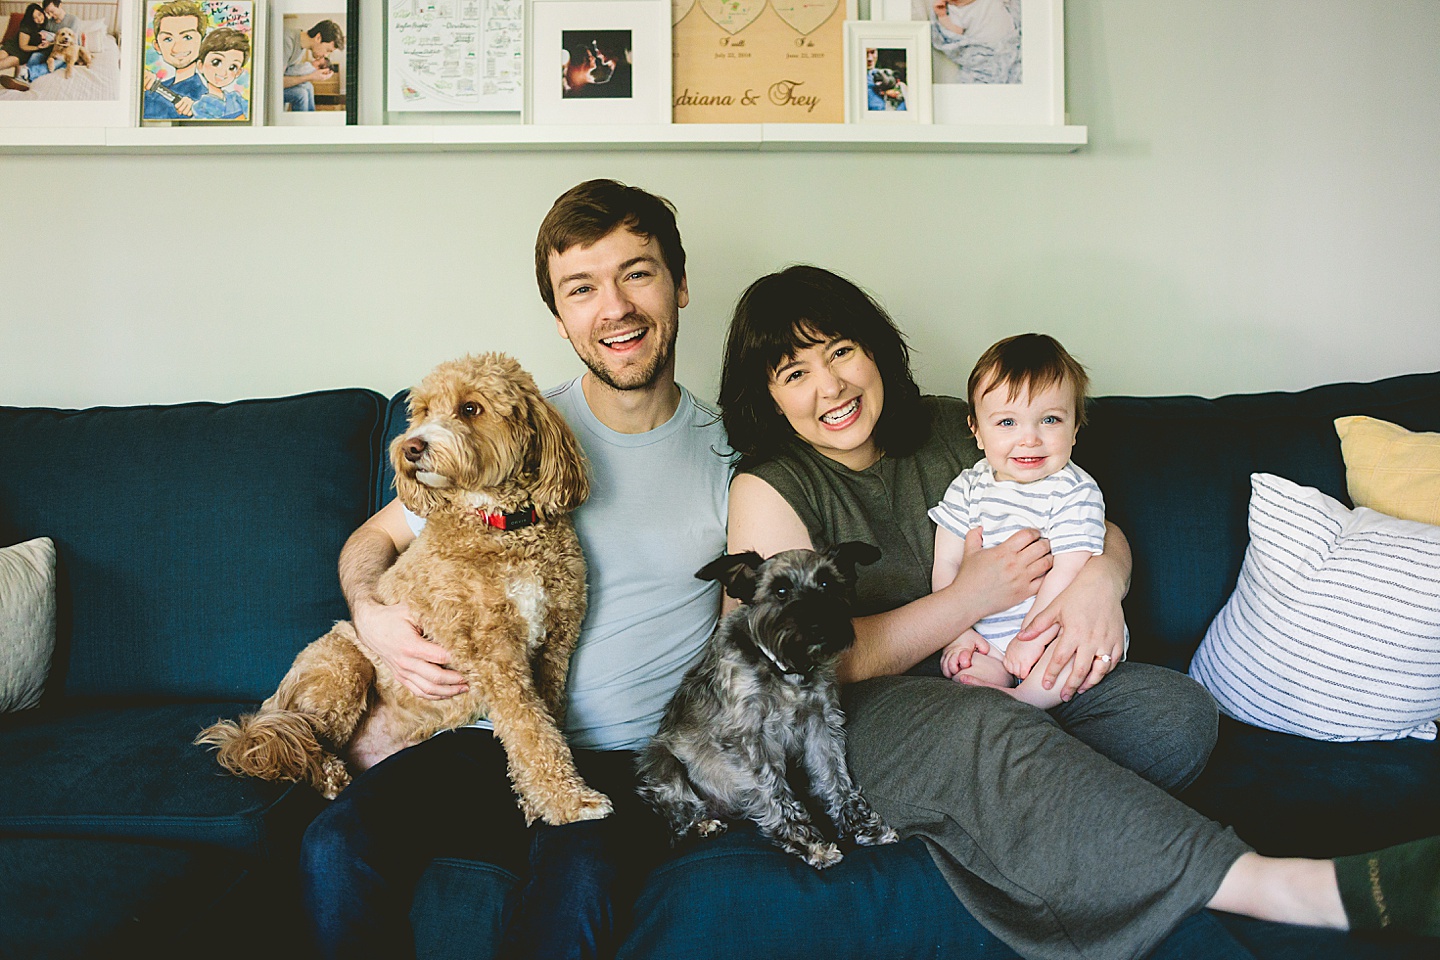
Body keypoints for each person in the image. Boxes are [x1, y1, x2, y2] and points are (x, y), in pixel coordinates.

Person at [719, 263, 1440, 958]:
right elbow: (792, 661)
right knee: (981, 725)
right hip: (862, 716)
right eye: (795, 373)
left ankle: (1001, 809)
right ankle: (1276, 886)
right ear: (769, 396)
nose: (831, 384)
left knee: (1175, 712)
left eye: (841, 351)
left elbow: (1089, 521)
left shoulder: (956, 426)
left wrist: (1103, 581)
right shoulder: (772, 485)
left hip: (1013, 676)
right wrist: (967, 599)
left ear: (874, 349)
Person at [297, 179, 731, 960]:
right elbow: (373, 537)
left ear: (680, 284)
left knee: (574, 899)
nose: (616, 308)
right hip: (476, 735)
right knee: (336, 845)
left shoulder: (735, 456)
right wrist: (369, 612)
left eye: (638, 272)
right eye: (582, 288)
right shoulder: (511, 431)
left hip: (625, 758)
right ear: (561, 317)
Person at [930, 333, 1114, 708]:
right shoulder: (968, 487)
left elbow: (1069, 569)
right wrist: (959, 633)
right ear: (976, 431)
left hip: (1055, 627)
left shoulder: (1075, 490)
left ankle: (1025, 700)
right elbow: (946, 562)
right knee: (965, 672)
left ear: (1076, 428)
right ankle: (996, 683)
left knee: (1074, 658)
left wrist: (1030, 637)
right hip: (988, 635)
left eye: (1049, 420)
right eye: (1007, 423)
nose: (1029, 439)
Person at [142, 0, 209, 120]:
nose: (177, 48)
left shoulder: (201, 96)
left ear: (203, 42)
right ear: (157, 46)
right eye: (168, 39)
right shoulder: (158, 85)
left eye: (187, 37)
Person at [930, 0, 1022, 84]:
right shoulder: (956, 10)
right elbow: (956, 32)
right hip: (985, 52)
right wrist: (942, 16)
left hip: (1011, 43)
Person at [282, 19, 343, 112]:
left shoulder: (301, 47)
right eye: (328, 50)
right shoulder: (287, 41)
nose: (326, 55)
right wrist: (311, 76)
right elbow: (277, 83)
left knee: (308, 86)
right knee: (300, 94)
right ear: (318, 38)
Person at [190, 27, 249, 121]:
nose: (223, 72)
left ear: (238, 72)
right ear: (200, 65)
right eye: (216, 62)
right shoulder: (200, 107)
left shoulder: (236, 98)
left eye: (232, 67)